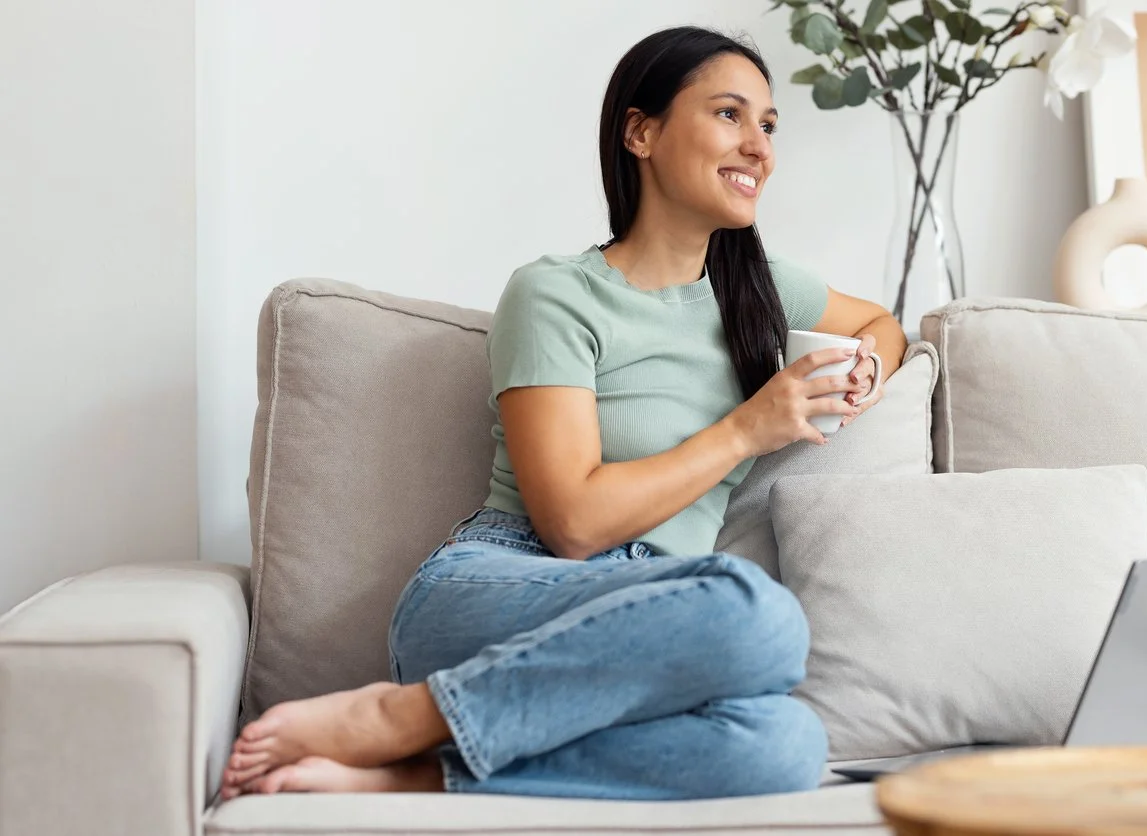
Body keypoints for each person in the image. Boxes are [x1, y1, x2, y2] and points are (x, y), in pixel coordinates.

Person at [218, 24, 907, 802]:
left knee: (786, 744)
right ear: (640, 132)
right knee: (760, 616)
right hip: (502, 589)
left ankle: (416, 771)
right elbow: (571, 523)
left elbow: (882, 321)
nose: (760, 148)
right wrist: (750, 426)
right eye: (729, 115)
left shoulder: (759, 289)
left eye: (768, 124)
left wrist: (871, 366)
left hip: (644, 625)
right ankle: (399, 714)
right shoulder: (557, 293)